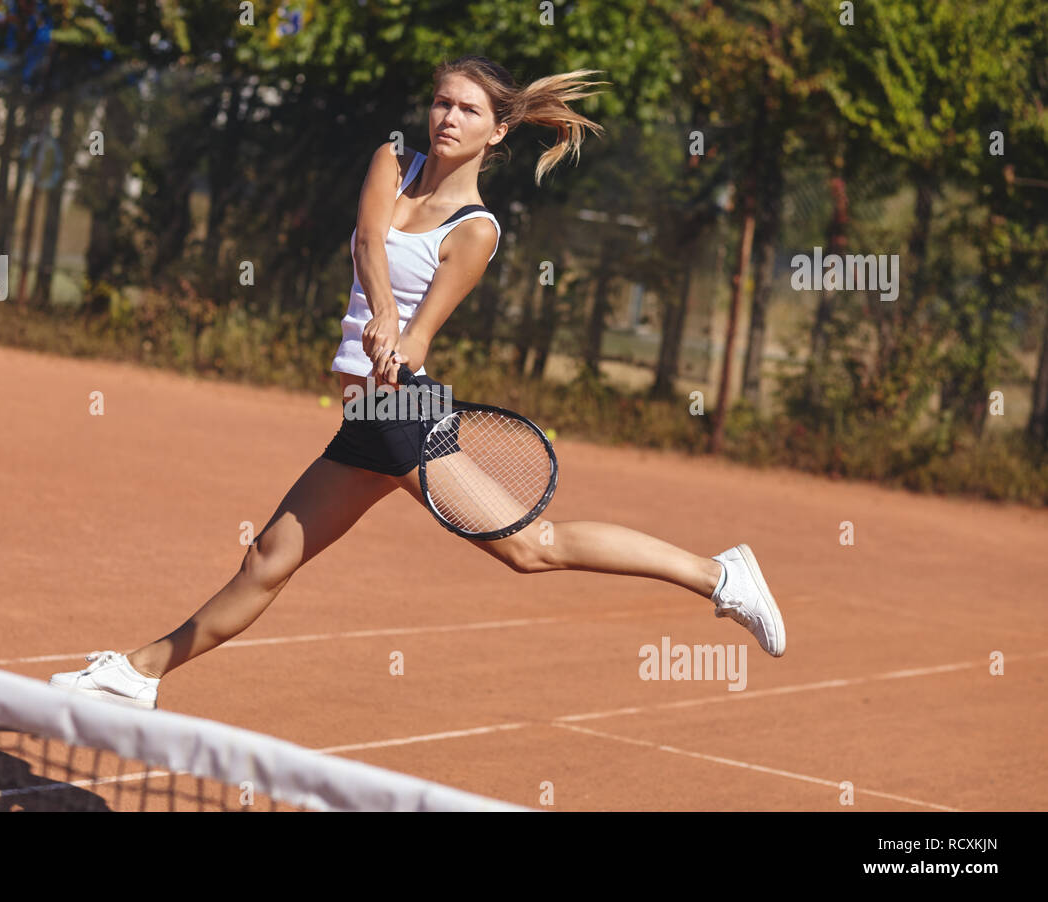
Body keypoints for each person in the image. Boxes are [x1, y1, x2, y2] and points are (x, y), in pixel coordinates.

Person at [51, 56, 785, 710]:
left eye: (467, 109)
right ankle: (140, 674)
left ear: (496, 133)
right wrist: (380, 313)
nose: (447, 118)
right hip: (367, 418)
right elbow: (371, 238)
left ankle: (717, 575)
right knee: (268, 558)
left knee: (534, 548)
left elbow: (423, 333)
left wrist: (397, 338)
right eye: (442, 102)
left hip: (400, 407)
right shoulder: (392, 159)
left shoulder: (476, 230)